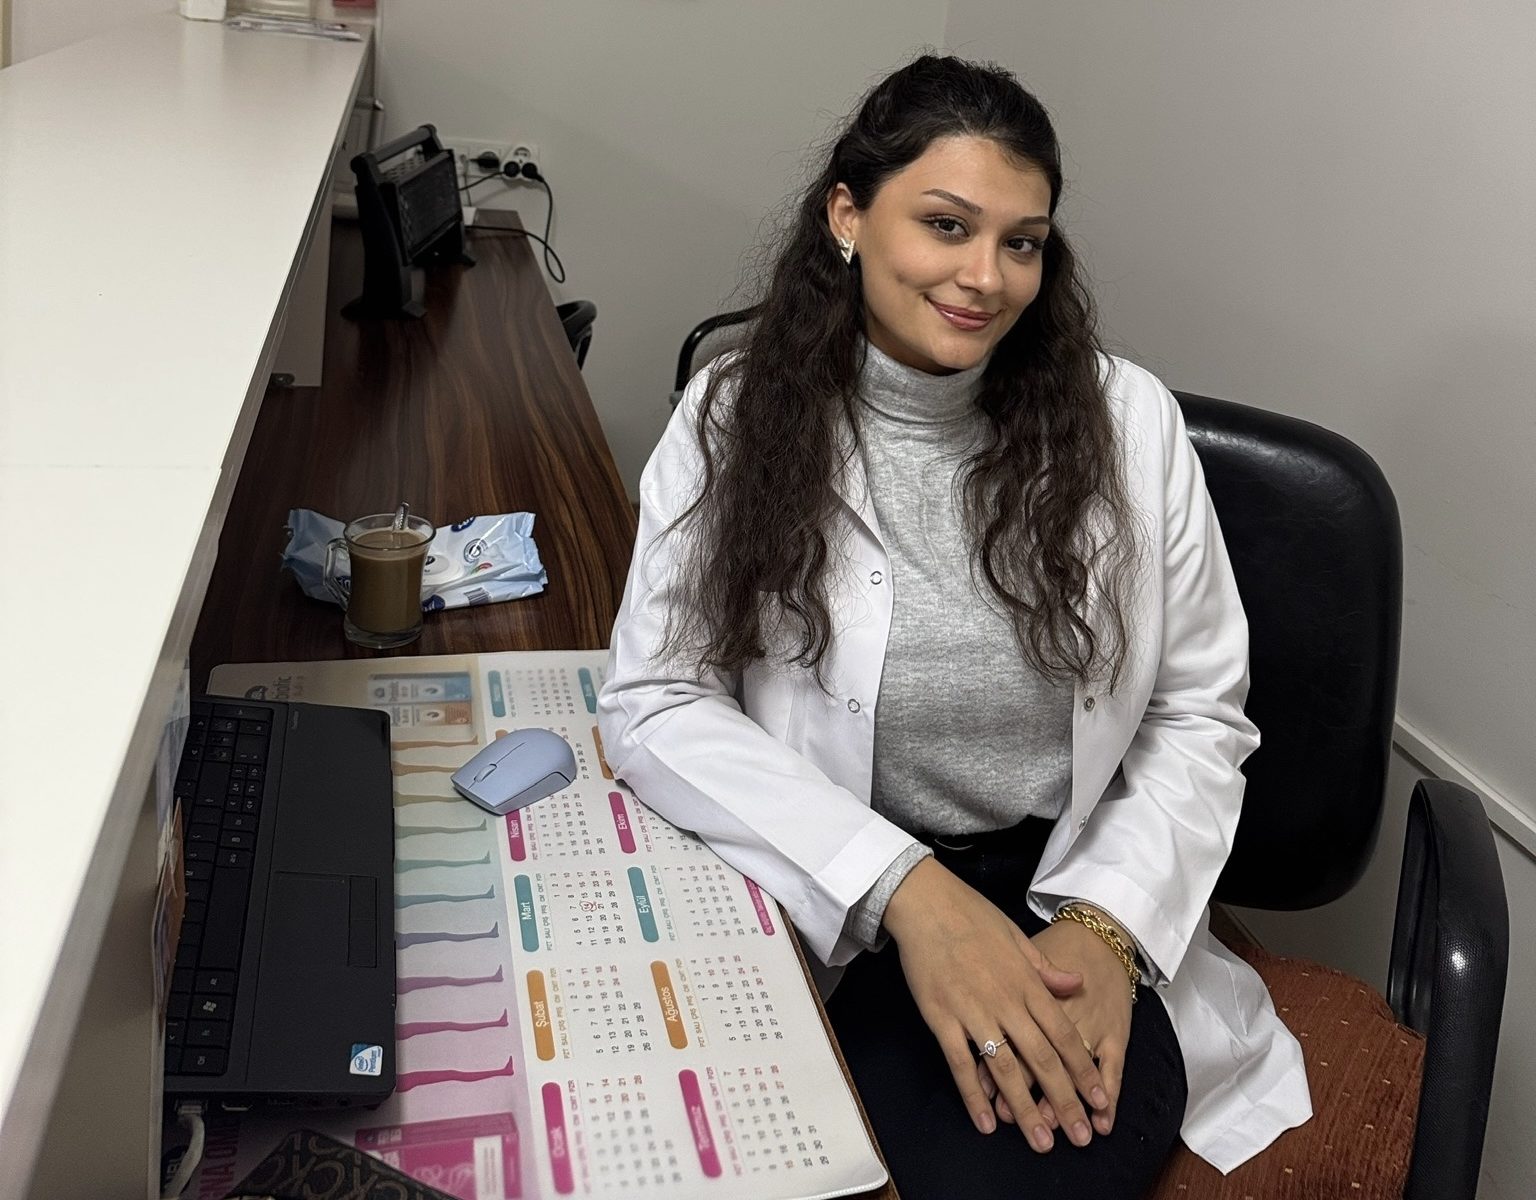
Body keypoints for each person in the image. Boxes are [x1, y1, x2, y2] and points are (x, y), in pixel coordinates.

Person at [597, 54, 1310, 1198]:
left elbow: (1197, 714)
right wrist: (906, 891)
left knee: (1011, 1164)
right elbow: (656, 697)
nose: (986, 277)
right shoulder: (732, 418)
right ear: (847, 215)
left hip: (1067, 888)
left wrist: (1107, 931)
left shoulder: (1128, 425)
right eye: (947, 225)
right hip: (830, 875)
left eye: (1022, 242)